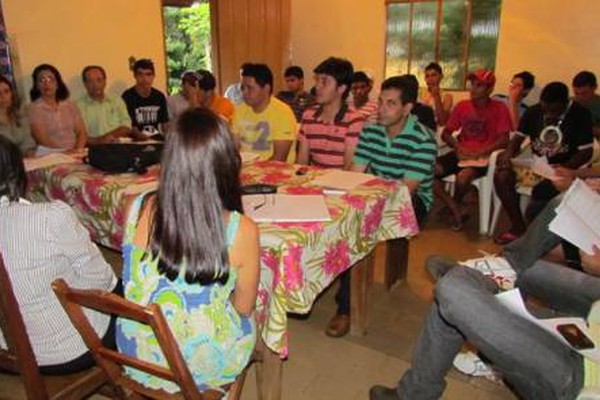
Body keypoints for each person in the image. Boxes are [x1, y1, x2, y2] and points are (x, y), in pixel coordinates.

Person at [369, 194, 600, 400]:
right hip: (595, 311)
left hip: (584, 371)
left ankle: (475, 278)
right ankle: (489, 272)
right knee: (562, 202)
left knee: (453, 292)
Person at [116, 108, 260, 395]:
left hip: (138, 348)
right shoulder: (241, 229)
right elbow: (243, 308)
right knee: (255, 307)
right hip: (200, 364)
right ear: (227, 164)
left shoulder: (135, 205)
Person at [325, 75, 437, 338]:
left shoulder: (423, 139)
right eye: (380, 102)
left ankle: (346, 307)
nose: (381, 109)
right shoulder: (372, 129)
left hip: (412, 203)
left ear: (408, 108)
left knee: (357, 227)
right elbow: (356, 171)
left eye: (391, 104)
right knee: (344, 214)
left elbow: (405, 190)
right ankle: (337, 276)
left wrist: (362, 205)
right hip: (376, 193)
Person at [0, 135, 118, 374]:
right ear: (17, 173)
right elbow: (101, 281)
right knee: (128, 289)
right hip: (68, 349)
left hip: (8, 353)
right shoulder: (48, 217)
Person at [494, 82, 594, 244]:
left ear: (564, 103)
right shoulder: (534, 112)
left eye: (553, 111)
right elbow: (517, 139)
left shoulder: (580, 114)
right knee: (502, 176)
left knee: (541, 193)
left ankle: (536, 237)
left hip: (564, 170)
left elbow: (586, 151)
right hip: (536, 166)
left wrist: (566, 167)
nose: (548, 114)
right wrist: (508, 154)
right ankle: (518, 227)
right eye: (545, 108)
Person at [434, 69, 512, 230]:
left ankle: (454, 206)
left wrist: (482, 152)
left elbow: (505, 139)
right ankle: (455, 208)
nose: (472, 89)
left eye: (479, 85)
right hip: (460, 153)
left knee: (463, 177)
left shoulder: (500, 108)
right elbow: (446, 134)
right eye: (472, 84)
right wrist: (458, 147)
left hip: (483, 158)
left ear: (489, 89)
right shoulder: (462, 106)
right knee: (425, 169)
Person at [296, 57, 364, 169]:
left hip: (340, 182)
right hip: (313, 180)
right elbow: (302, 162)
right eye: (316, 80)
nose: (317, 86)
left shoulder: (354, 120)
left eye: (324, 82)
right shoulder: (309, 115)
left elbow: (348, 169)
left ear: (341, 88)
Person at [232, 63, 297, 162]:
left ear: (266, 88)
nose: (244, 92)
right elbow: (233, 150)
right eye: (242, 88)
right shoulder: (239, 111)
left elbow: (279, 158)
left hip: (276, 171)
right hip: (246, 170)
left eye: (249, 88)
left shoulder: (283, 113)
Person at [28, 64, 88, 151]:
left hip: (76, 152)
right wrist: (64, 154)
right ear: (36, 86)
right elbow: (42, 140)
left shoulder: (70, 105)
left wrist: (77, 150)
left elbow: (82, 133)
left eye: (50, 79)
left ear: (57, 83)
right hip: (51, 154)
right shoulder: (33, 109)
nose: (46, 84)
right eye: (42, 80)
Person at [76, 65, 131, 144]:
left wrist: (107, 138)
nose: (95, 85)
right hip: (92, 149)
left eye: (99, 80)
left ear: (105, 81)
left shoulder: (116, 100)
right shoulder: (78, 106)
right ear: (85, 84)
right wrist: (99, 141)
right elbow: (77, 135)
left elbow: (127, 127)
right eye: (90, 81)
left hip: (118, 147)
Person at [121, 59, 169, 138]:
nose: (144, 79)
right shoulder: (127, 97)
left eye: (148, 74)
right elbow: (129, 126)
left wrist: (170, 138)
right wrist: (140, 136)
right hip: (135, 141)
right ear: (135, 76)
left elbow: (165, 124)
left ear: (153, 76)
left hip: (156, 139)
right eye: (140, 74)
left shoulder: (159, 96)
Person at [0, 75, 35, 155]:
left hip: (24, 161)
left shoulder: (20, 116)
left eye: (6, 91)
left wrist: (29, 153)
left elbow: (28, 142)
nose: (3, 96)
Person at [420, 62, 453, 127]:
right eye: (427, 76)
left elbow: (442, 121)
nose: (430, 79)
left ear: (441, 77)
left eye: (433, 75)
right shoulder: (420, 94)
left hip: (436, 130)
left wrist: (436, 96)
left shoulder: (447, 96)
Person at [572, 71, 600, 139]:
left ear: (594, 87)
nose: (580, 98)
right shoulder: (568, 104)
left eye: (584, 93)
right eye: (576, 93)